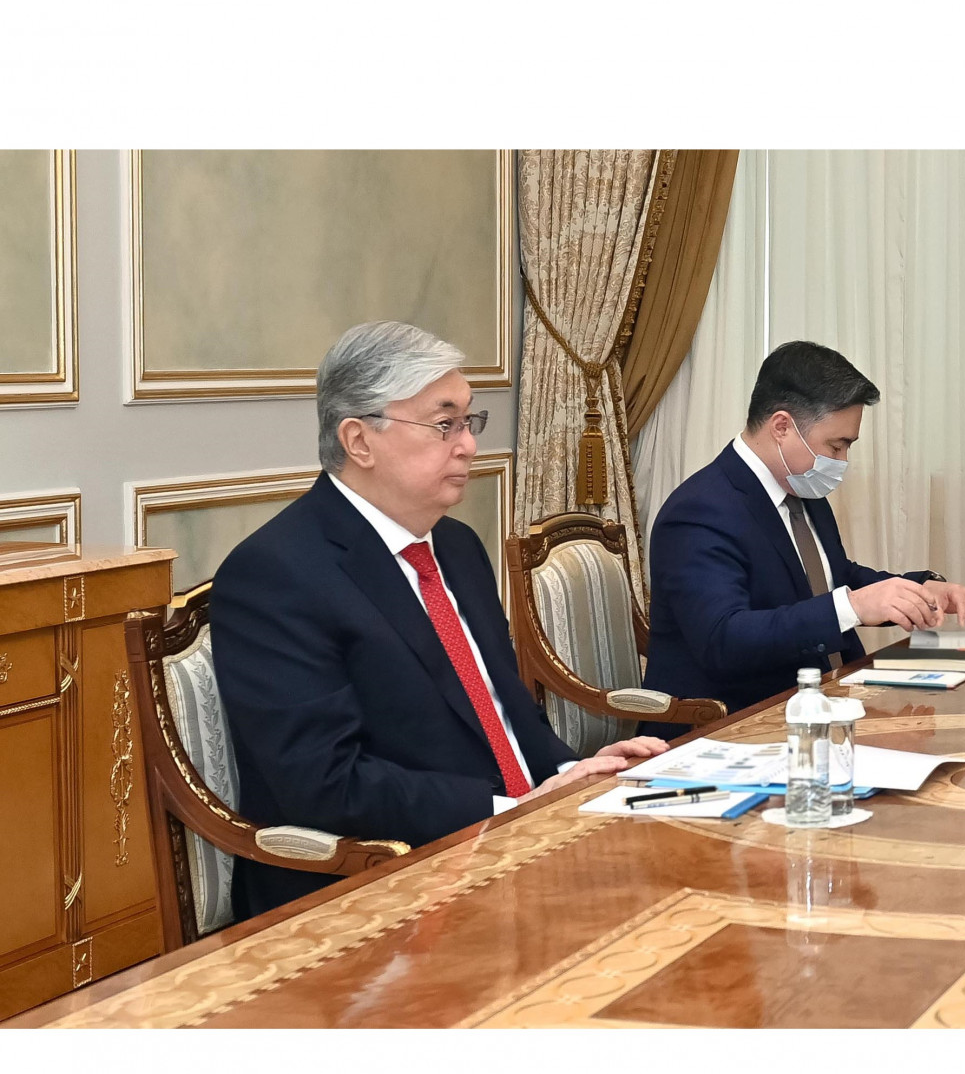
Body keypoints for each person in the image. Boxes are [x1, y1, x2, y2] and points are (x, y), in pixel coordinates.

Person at [211, 321, 664, 920]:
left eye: (469, 422)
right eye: (444, 424)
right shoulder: (275, 574)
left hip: (506, 844)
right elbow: (323, 783)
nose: (469, 445)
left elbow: (503, 709)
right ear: (359, 441)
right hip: (373, 887)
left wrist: (571, 771)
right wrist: (510, 812)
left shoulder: (456, 545)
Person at [641, 340, 965, 731]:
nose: (841, 462)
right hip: (733, 724)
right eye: (835, 446)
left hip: (822, 701)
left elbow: (833, 578)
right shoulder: (699, 511)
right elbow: (724, 639)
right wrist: (854, 606)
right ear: (782, 427)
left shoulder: (799, 487)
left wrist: (919, 589)